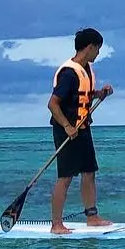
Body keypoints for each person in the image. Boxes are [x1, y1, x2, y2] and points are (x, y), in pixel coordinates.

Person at [47, 27, 115, 235]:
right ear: (90, 47)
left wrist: (99, 94)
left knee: (89, 173)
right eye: (98, 49)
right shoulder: (69, 72)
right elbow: (53, 104)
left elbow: (81, 96)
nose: (99, 53)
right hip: (65, 130)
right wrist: (67, 126)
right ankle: (56, 224)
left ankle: (92, 217)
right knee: (66, 177)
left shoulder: (86, 70)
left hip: (83, 128)